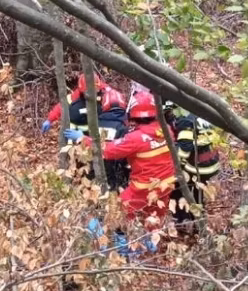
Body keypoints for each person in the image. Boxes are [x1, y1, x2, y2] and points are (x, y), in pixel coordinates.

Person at [65, 92, 175, 254]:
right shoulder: (167, 131)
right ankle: (150, 246)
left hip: (141, 189)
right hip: (166, 185)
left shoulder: (136, 138)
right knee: (153, 216)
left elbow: (107, 150)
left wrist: (83, 138)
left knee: (118, 215)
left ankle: (124, 251)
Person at [164, 101, 220, 231]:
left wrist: (172, 153)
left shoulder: (184, 121)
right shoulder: (200, 113)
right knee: (198, 193)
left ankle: (182, 223)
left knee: (178, 191)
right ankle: (199, 222)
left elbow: (185, 149)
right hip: (210, 163)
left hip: (197, 167)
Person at [40, 73, 125, 134]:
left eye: (94, 91)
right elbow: (62, 106)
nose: (91, 94)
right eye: (87, 92)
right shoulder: (76, 95)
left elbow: (117, 112)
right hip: (81, 133)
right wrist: (49, 120)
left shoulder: (108, 93)